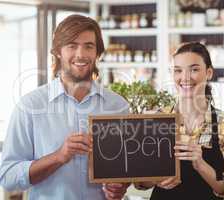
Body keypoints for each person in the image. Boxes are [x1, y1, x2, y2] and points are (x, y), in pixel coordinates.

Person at [0, 14, 130, 200]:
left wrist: (120, 186)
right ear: (58, 52)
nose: (81, 54)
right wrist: (59, 156)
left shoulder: (118, 106)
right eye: (72, 45)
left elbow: (126, 167)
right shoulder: (30, 106)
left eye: (89, 46)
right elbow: (7, 176)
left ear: (97, 53)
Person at [135, 42, 224, 200]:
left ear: (208, 73)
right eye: (178, 70)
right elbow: (139, 181)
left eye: (194, 69)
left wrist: (201, 165)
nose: (185, 78)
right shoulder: (156, 119)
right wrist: (155, 180)